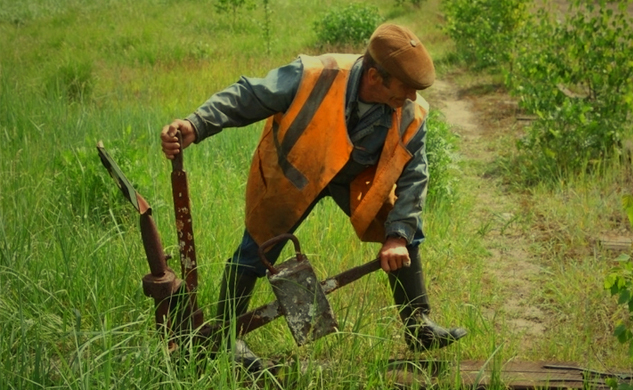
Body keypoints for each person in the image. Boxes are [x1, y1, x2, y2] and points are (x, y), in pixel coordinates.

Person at [161, 23, 467, 367]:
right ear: (374, 76)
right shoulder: (313, 74)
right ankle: (229, 337)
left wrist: (396, 236)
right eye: (405, 87)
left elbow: (415, 176)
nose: (412, 96)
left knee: (402, 232)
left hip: (357, 181)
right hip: (296, 171)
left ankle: (418, 326)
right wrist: (197, 123)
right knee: (256, 246)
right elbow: (250, 95)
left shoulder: (413, 112)